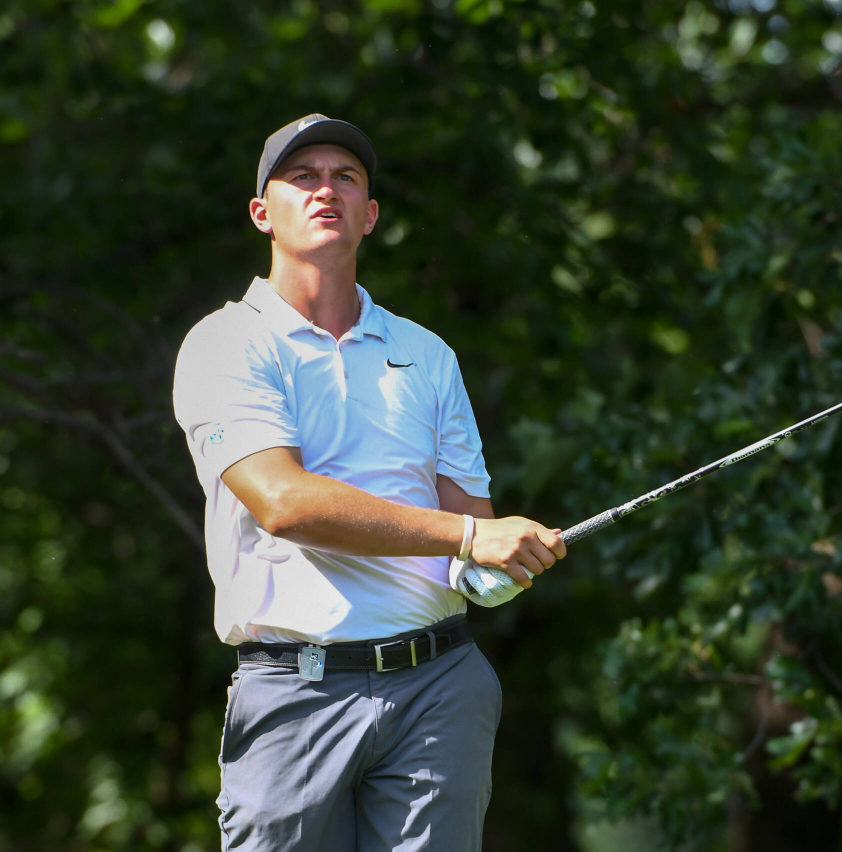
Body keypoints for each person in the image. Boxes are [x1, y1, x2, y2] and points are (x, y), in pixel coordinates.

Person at [172, 114, 567, 852]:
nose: (327, 189)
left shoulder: (428, 354)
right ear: (263, 212)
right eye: (303, 176)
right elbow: (284, 502)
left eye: (345, 177)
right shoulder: (225, 343)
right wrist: (475, 538)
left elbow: (465, 534)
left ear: (371, 214)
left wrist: (500, 567)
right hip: (294, 691)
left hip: (439, 688)